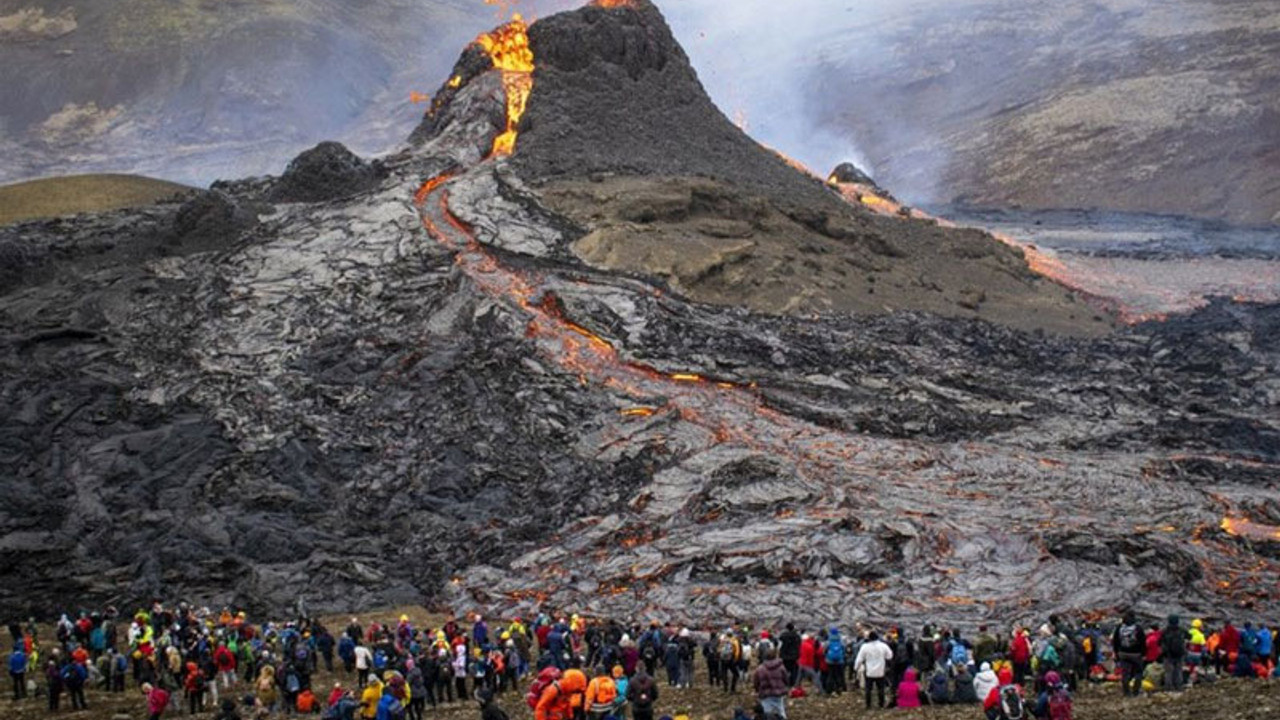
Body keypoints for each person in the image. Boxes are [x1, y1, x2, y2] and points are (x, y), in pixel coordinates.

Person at [853, 631, 892, 709]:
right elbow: (890, 656)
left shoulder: (865, 647)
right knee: (881, 688)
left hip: (869, 671)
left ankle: (868, 704)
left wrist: (856, 668)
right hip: (880, 671)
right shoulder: (883, 646)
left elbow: (859, 659)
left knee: (868, 689)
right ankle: (881, 704)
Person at [1111, 612, 1145, 697]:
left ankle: (1126, 692)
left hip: (1123, 653)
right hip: (1136, 654)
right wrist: (1143, 653)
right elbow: (1142, 642)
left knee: (1125, 673)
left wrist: (1116, 652)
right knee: (1138, 672)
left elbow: (1115, 641)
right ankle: (1136, 691)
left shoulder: (1119, 628)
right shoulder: (1138, 628)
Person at [752, 647, 788, 720]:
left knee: (766, 713)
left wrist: (757, 690)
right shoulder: (781, 667)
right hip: (778, 693)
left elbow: (756, 682)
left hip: (765, 694)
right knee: (781, 710)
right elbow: (786, 679)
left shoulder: (760, 669)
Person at [1159, 616, 1186, 692]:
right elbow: (1189, 636)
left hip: (1168, 655)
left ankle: (1168, 688)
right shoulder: (1181, 630)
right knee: (1178, 671)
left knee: (1168, 672)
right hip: (1179, 654)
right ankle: (1179, 687)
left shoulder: (1165, 631)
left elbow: (1159, 642)